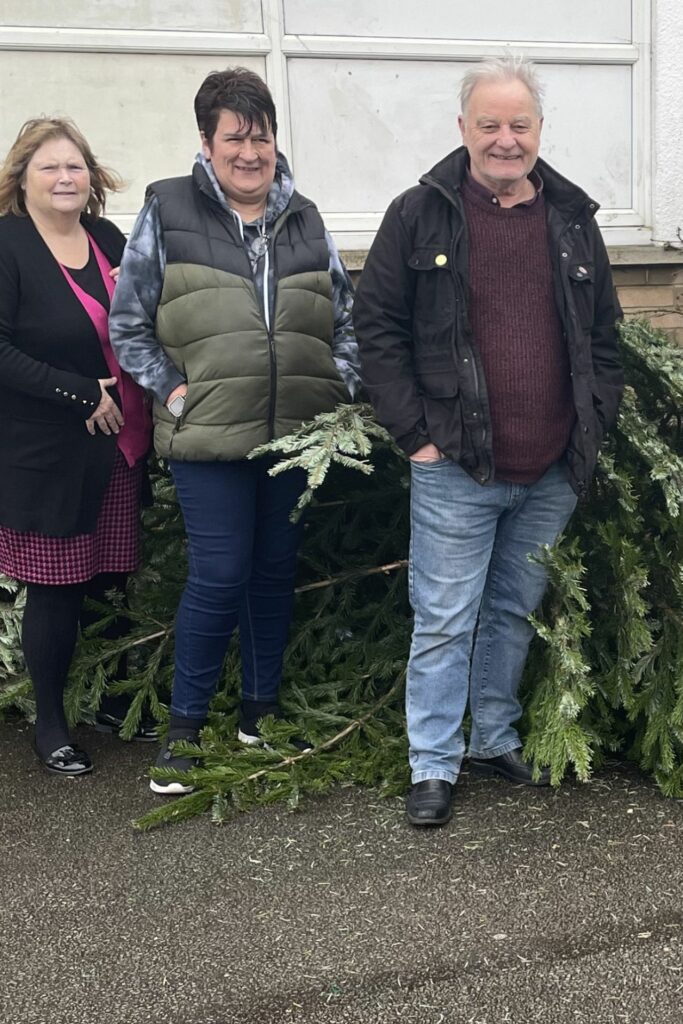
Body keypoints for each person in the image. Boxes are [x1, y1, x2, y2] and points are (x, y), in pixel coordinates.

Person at [353, 56, 623, 826]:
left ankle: (490, 737)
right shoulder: (420, 212)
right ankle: (432, 764)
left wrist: (591, 426)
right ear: (462, 130)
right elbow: (376, 330)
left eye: (519, 124)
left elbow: (603, 335)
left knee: (511, 609)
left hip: (551, 468)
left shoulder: (571, 219)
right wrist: (415, 436)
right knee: (443, 618)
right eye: (489, 125)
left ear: (538, 130)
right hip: (456, 465)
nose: (505, 139)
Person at [110, 66, 360, 795]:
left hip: (292, 439)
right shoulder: (167, 209)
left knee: (274, 577)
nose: (251, 153)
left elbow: (343, 316)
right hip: (208, 438)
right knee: (219, 576)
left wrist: (339, 385)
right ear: (206, 141)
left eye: (262, 137)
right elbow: (129, 323)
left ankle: (260, 714)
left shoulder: (306, 217)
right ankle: (183, 731)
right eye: (235, 138)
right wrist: (176, 391)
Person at [0, 118, 154, 776]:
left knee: (112, 576)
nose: (65, 178)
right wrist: (75, 392)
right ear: (22, 179)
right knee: (57, 587)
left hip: (118, 446)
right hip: (46, 453)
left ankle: (118, 698)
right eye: (49, 167)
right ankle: (52, 723)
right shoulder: (6, 245)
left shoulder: (107, 238)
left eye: (75, 167)